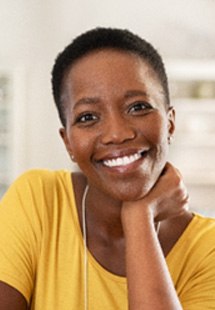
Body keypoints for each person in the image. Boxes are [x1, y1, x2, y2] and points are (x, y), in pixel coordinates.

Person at [0, 27, 214, 310]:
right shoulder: (39, 199)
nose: (117, 134)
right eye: (88, 117)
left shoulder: (207, 248)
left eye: (138, 107)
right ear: (68, 143)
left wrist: (139, 218)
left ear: (170, 123)